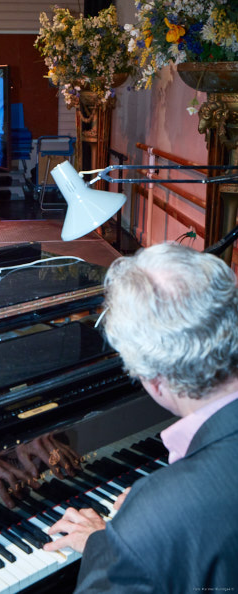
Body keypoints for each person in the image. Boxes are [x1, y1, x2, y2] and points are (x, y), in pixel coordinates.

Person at [43, 243, 238, 593]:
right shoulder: (161, 510)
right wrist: (156, 507)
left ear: (153, 379)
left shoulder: (154, 519)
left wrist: (115, 541)